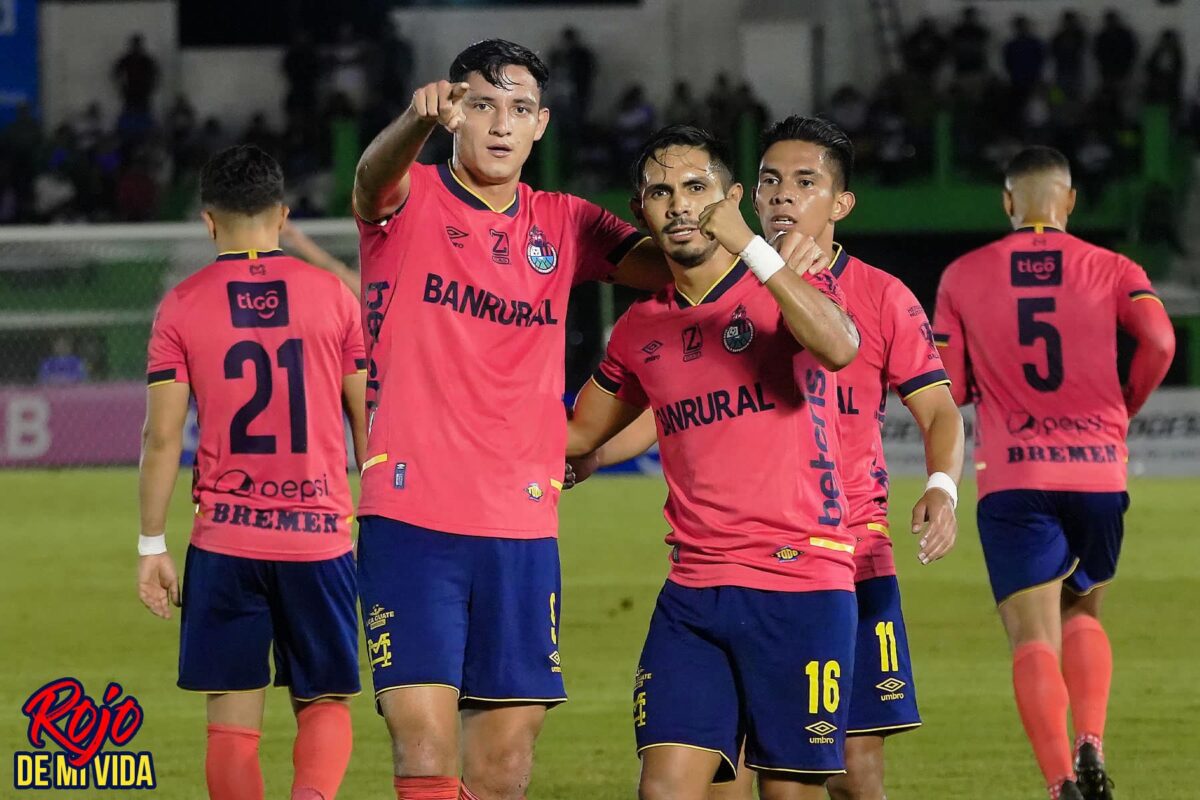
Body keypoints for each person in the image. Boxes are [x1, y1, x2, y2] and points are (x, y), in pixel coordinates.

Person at [573, 117, 965, 800]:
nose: (783, 197)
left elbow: (904, 388)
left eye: (804, 182)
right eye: (771, 181)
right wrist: (582, 452)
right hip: (703, 577)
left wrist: (942, 484)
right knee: (688, 781)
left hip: (828, 558)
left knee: (843, 772)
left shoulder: (833, 294)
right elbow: (649, 417)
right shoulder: (651, 324)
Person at [350, 39, 671, 800]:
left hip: (520, 523)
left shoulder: (565, 221)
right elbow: (368, 182)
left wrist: (716, 229)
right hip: (410, 513)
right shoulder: (410, 196)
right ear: (454, 111)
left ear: (542, 125)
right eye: (482, 105)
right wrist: (410, 124)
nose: (500, 124)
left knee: (504, 764)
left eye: (519, 109)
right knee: (424, 746)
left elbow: (669, 268)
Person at [932, 146, 1176, 800]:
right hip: (1098, 471)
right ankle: (1091, 743)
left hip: (1013, 474)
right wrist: (1124, 406)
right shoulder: (1115, 267)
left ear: (1009, 202)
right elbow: (1160, 342)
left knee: (1029, 633)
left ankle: (1059, 782)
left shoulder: (962, 275)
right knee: (1084, 610)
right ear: (1069, 201)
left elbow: (949, 385)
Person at [137, 145, 368, 800]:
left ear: (208, 222)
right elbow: (366, 423)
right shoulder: (331, 297)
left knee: (231, 726)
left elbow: (160, 438)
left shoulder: (180, 305)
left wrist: (152, 544)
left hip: (224, 542)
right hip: (319, 537)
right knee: (323, 699)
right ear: (283, 214)